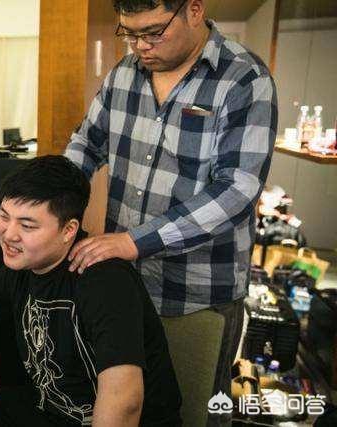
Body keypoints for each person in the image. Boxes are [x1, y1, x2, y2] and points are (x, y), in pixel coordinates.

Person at [64, 0, 277, 425]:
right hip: (126, 287)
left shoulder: (243, 78)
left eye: (154, 32)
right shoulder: (123, 74)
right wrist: (52, 203)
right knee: (125, 408)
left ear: (194, 10)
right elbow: (86, 145)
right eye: (130, 32)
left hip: (198, 293)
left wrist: (134, 241)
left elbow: (236, 190)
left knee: (194, 413)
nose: (140, 45)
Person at [0, 155, 182, 427]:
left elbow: (125, 403)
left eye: (27, 225)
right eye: (4, 216)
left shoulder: (105, 279)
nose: (8, 234)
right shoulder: (23, 266)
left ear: (68, 230)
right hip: (51, 412)